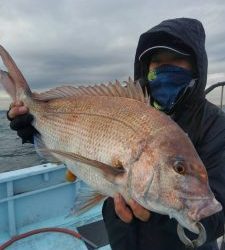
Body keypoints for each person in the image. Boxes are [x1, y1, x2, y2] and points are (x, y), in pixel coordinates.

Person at [7, 18, 225, 250]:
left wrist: (180, 222)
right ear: (147, 68)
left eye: (176, 59)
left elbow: (218, 210)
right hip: (122, 239)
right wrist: (32, 128)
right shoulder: (128, 104)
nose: (165, 67)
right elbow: (71, 139)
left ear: (196, 66)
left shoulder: (216, 124)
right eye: (157, 61)